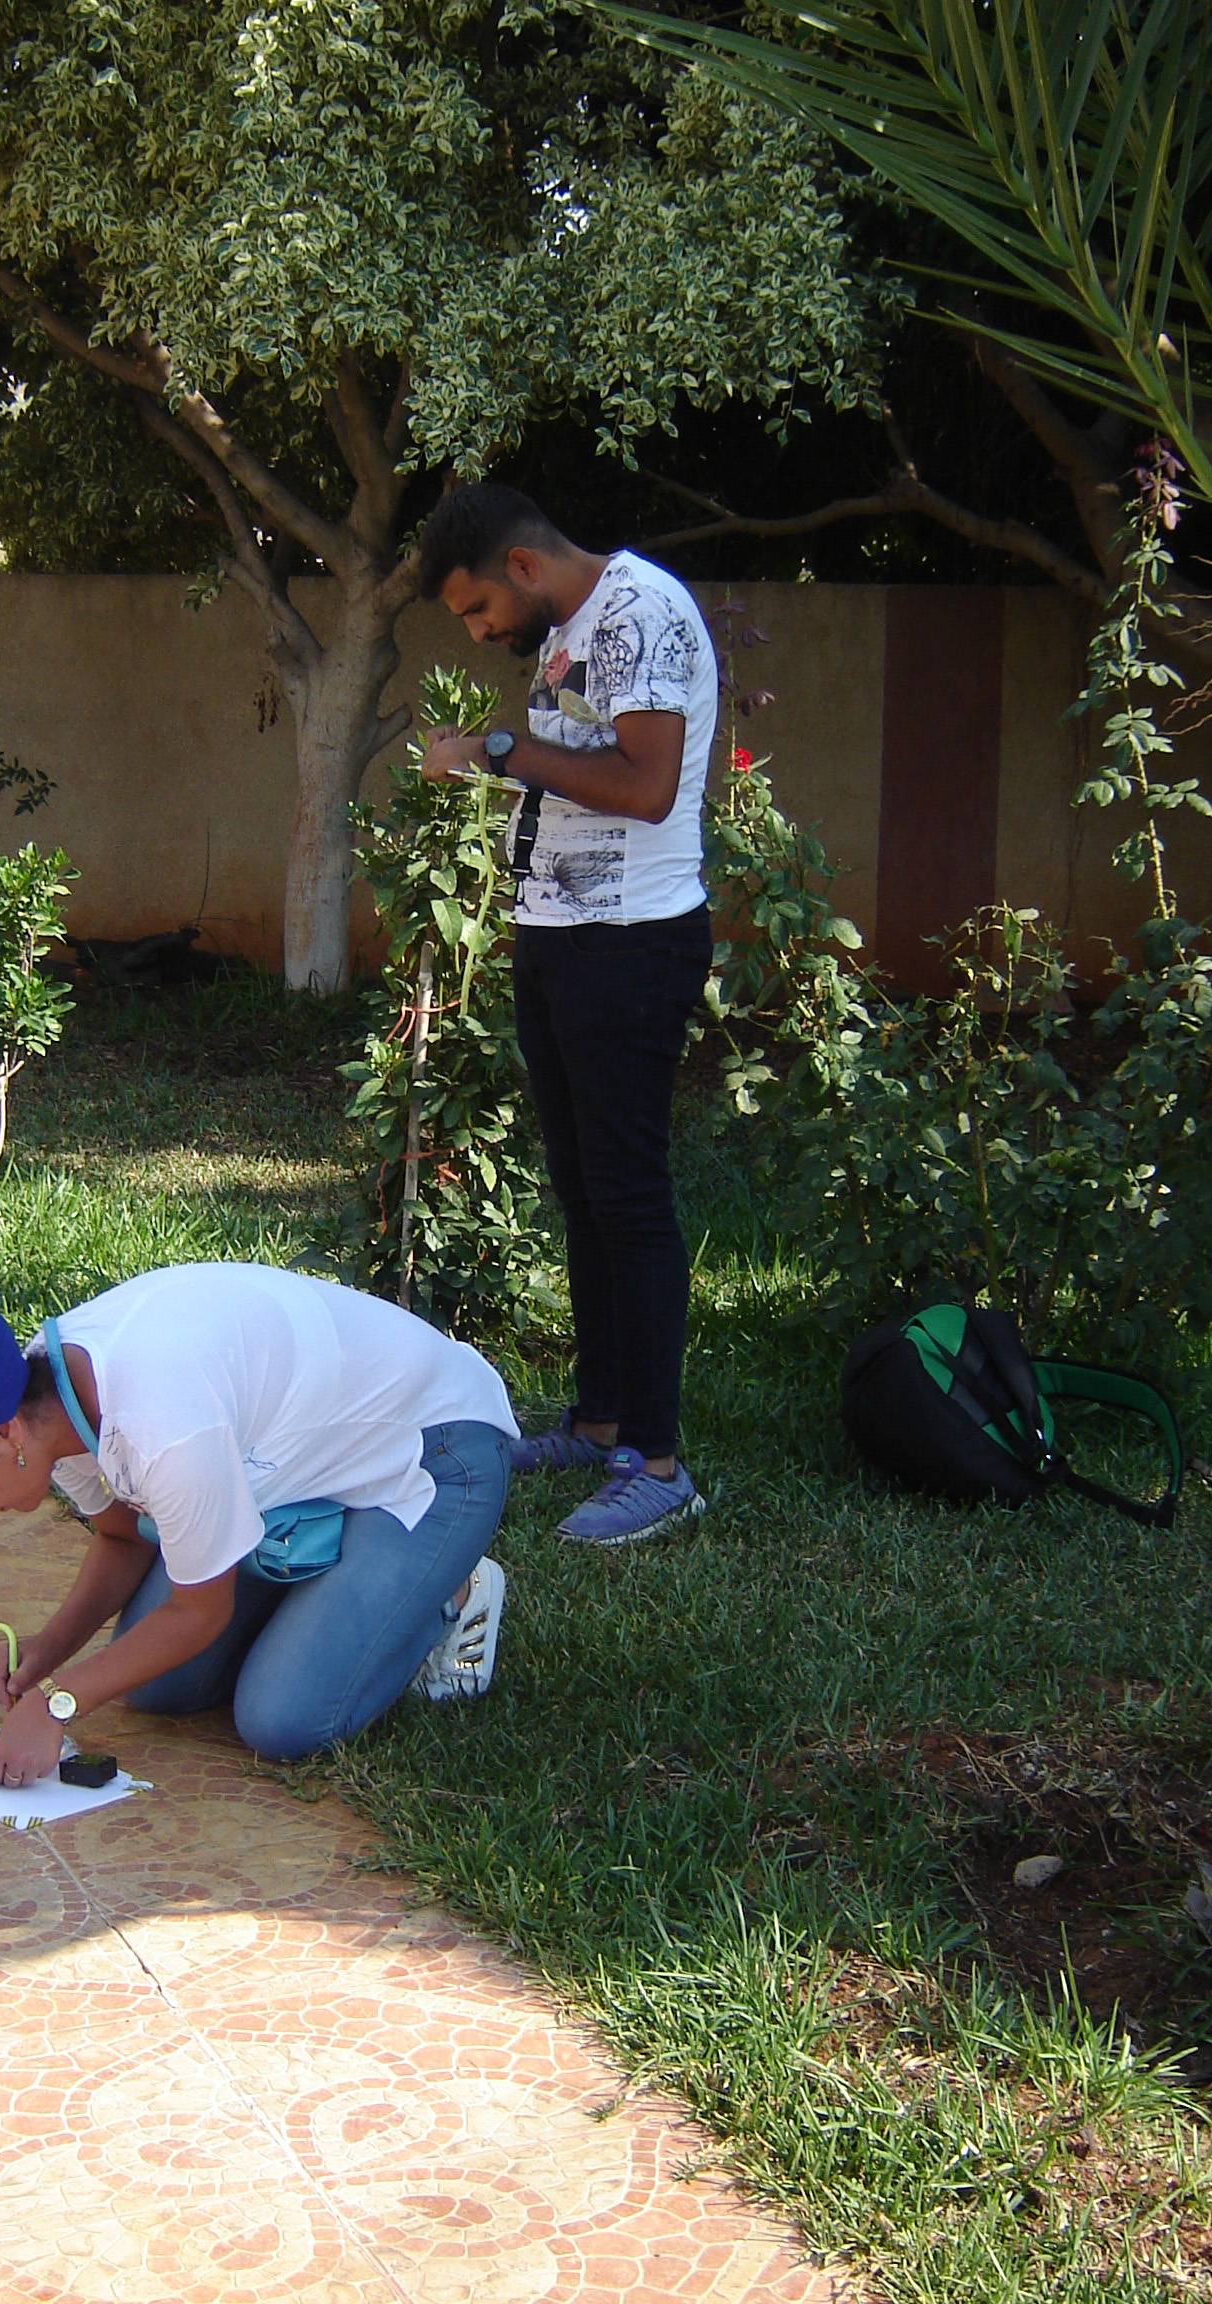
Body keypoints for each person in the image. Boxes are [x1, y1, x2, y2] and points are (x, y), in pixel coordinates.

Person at [0, 1265, 516, 1783]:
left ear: (1, 1431)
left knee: (282, 1718)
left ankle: (454, 1590)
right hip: (300, 1471)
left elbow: (199, 1613)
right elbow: (119, 1535)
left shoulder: (157, 1419)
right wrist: (50, 1652)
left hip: (432, 1455)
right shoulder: (54, 1398)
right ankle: (323, 1592)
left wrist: (56, 1701)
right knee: (162, 1688)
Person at [417, 482, 716, 1545]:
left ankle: (660, 1461)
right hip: (563, 942)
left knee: (629, 1198)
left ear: (524, 567)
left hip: (632, 945)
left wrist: (498, 752)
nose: (480, 629)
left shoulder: (640, 613)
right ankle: (598, 1426)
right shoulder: (572, 631)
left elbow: (644, 787)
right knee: (585, 1194)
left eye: (476, 608)